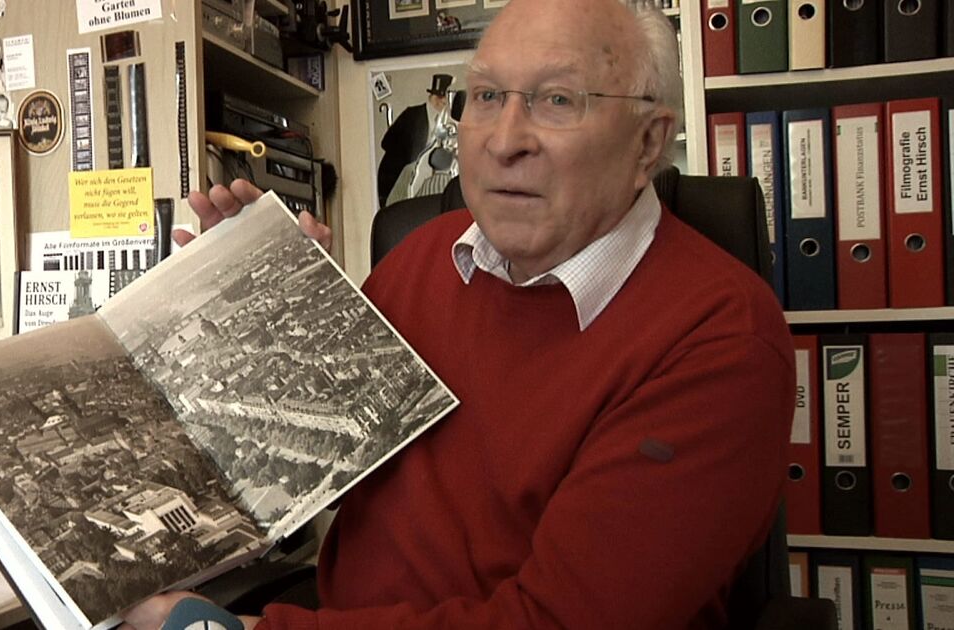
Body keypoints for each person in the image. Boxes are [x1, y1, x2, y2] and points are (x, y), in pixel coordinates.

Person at [122, 0, 793, 627]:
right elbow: (292, 473)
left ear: (648, 143)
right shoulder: (421, 259)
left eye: (556, 100)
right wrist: (243, 316)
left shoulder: (721, 337)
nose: (504, 140)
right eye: (488, 97)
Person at [377, 72, 453, 207]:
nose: (444, 102)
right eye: (441, 97)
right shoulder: (412, 115)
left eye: (445, 98)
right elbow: (386, 142)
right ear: (434, 97)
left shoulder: (442, 121)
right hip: (395, 180)